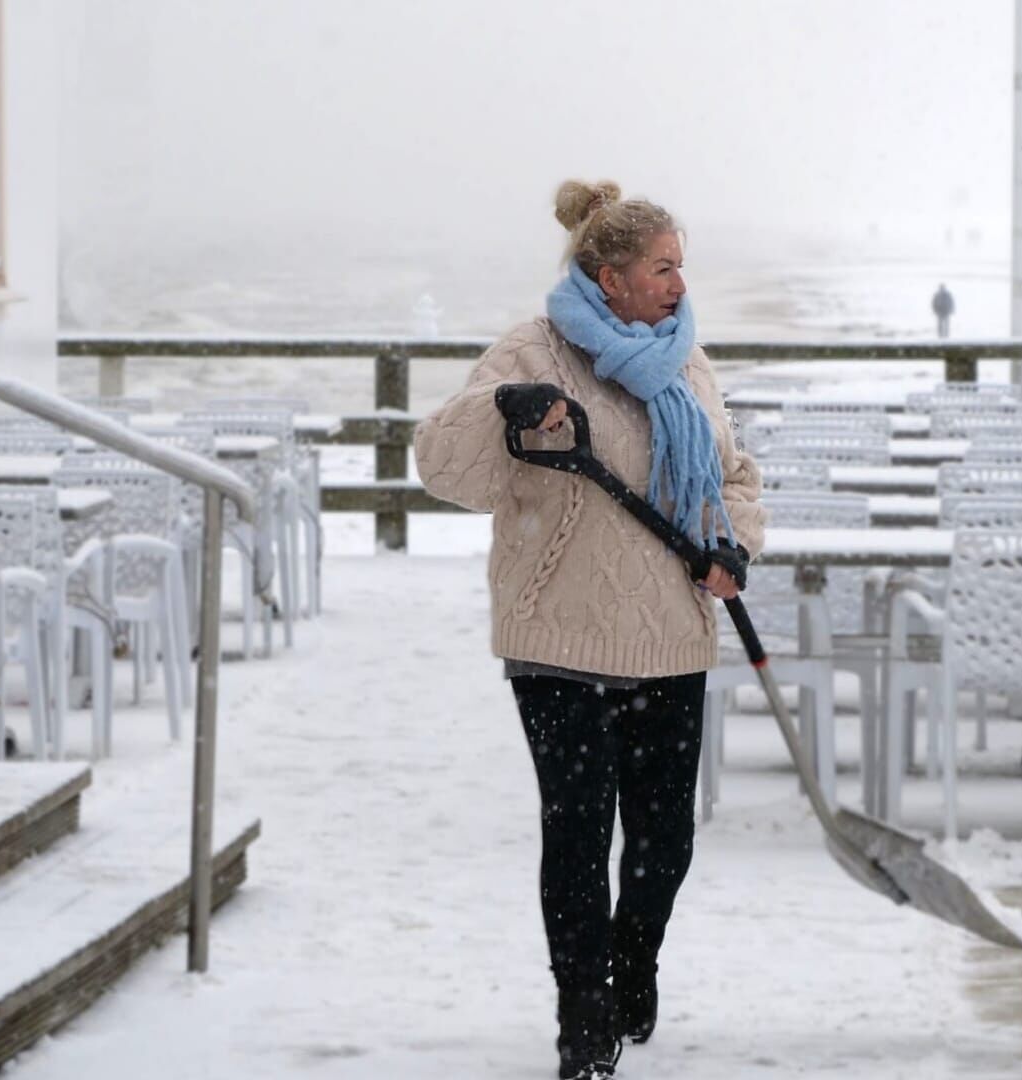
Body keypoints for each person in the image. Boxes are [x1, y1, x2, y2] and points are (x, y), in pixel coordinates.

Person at [413, 179, 766, 1080]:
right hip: (559, 636)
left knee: (663, 837)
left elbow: (734, 473)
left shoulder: (687, 359)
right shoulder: (534, 350)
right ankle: (582, 1011)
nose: (680, 282)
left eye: (681, 265)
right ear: (607, 275)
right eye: (663, 266)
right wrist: (506, 415)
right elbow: (440, 464)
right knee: (577, 829)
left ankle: (632, 960)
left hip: (671, 634)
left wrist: (731, 544)